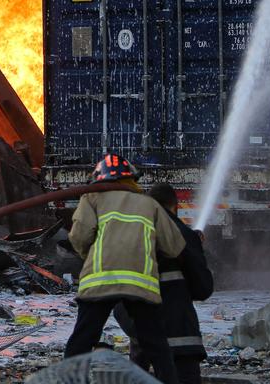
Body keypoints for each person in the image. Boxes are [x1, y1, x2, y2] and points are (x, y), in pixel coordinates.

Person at [65, 154, 187, 384]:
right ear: (132, 178)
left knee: (82, 339)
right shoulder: (149, 203)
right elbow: (174, 246)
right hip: (140, 284)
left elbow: (80, 236)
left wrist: (89, 256)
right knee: (155, 342)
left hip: (100, 280)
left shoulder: (91, 198)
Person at [116, 184, 214, 384]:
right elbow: (203, 288)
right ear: (175, 207)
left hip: (142, 341)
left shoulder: (129, 237)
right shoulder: (184, 235)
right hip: (180, 342)